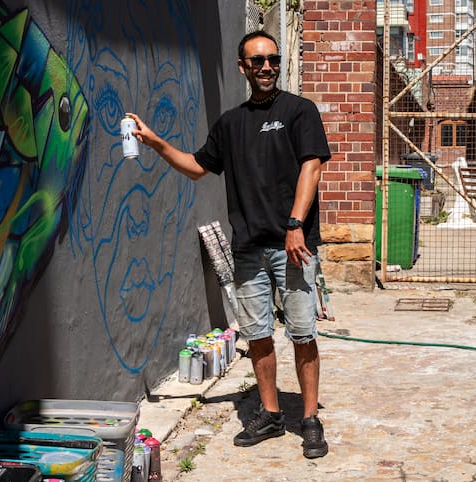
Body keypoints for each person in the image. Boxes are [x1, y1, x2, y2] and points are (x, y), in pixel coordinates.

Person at [127, 30, 330, 459]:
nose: (267, 67)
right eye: (258, 61)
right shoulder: (230, 123)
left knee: (302, 333)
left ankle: (310, 419)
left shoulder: (299, 110)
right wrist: (156, 142)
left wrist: (295, 225)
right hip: (248, 248)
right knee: (257, 336)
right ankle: (271, 414)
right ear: (243, 67)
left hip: (293, 246)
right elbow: (196, 167)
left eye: (272, 59)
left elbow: (311, 168)